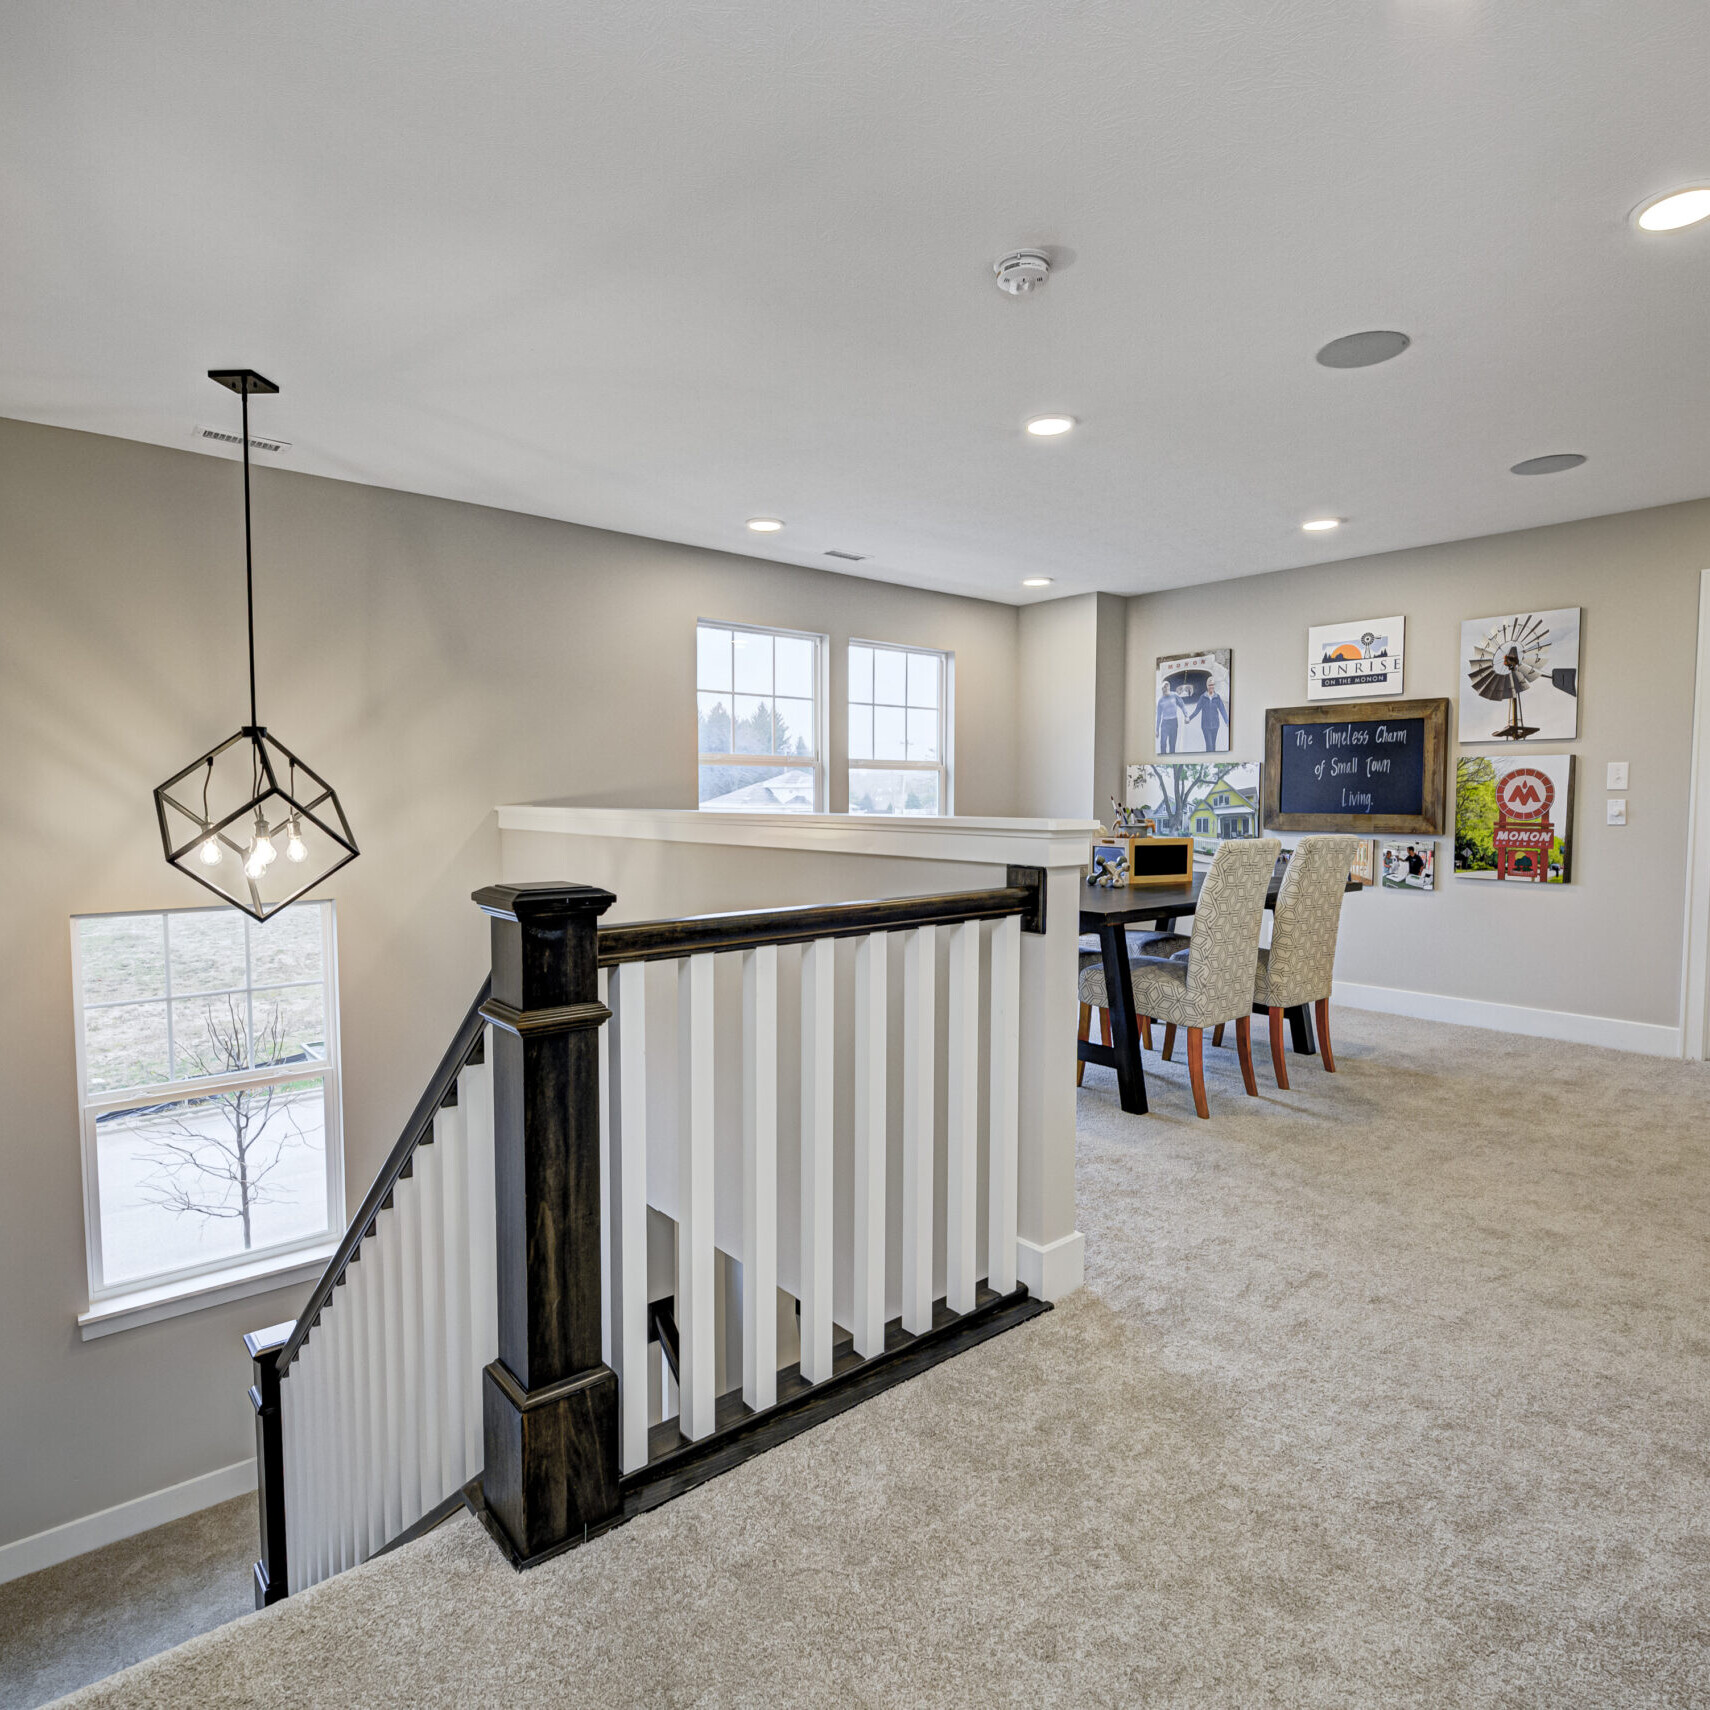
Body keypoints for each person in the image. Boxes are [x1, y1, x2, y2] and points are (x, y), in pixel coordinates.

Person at [1193, 682, 1227, 752]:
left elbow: (1222, 709)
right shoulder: (1203, 697)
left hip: (1215, 725)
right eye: (1209, 685)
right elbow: (1197, 709)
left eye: (1212, 685)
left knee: (1213, 745)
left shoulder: (1217, 697)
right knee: (1209, 746)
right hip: (1205, 726)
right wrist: (1189, 718)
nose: (1211, 687)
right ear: (1207, 686)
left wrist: (1227, 721)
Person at [1156, 687, 1180, 754]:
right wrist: (1157, 729)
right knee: (1163, 743)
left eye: (1166, 688)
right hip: (1165, 722)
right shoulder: (1160, 700)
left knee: (1172, 745)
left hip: (1173, 721)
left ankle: (1172, 761)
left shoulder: (1174, 695)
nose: (1165, 689)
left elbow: (1182, 705)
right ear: (1162, 689)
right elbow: (1158, 715)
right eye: (1163, 688)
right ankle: (1163, 760)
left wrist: (1186, 715)